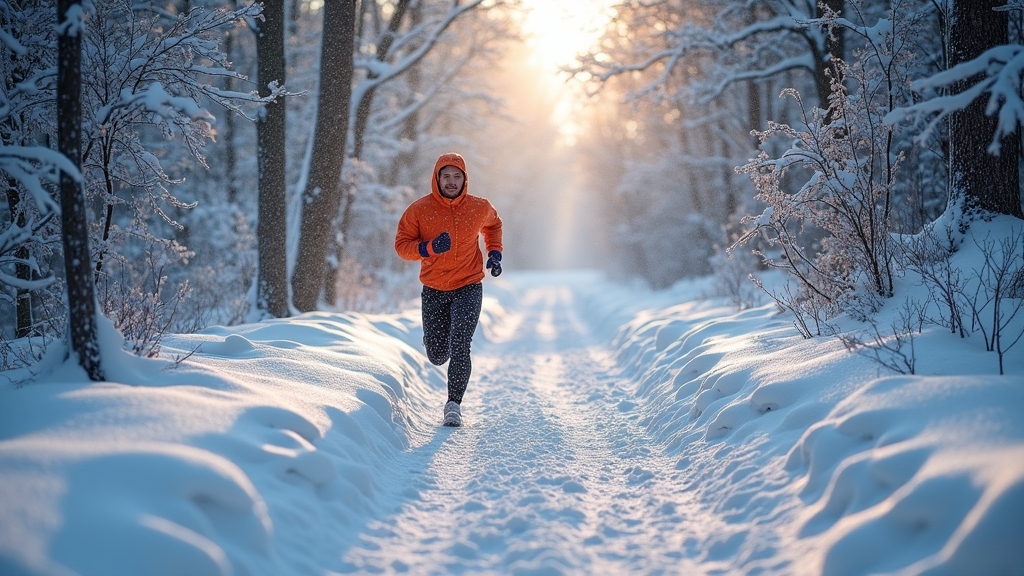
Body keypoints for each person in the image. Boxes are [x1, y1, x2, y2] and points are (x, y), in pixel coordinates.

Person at [395, 152, 503, 427]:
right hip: (433, 289)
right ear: (437, 178)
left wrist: (494, 253)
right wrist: (427, 248)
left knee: (460, 344)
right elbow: (401, 245)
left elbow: (494, 225)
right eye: (447, 177)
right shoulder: (419, 210)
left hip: (469, 285)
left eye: (457, 177)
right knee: (437, 354)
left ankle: (453, 404)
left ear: (465, 179)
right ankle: (433, 340)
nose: (452, 182)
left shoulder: (479, 207)